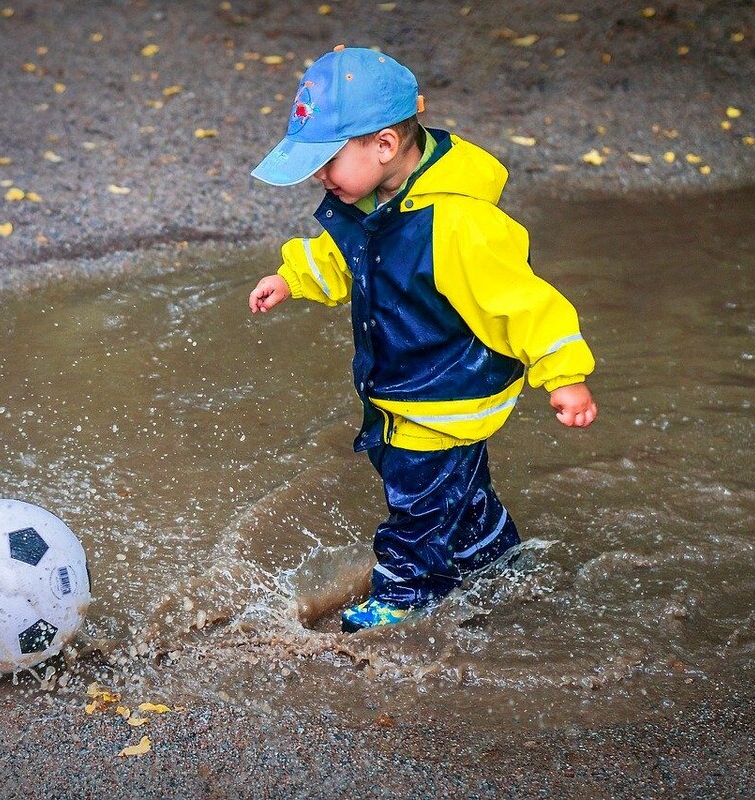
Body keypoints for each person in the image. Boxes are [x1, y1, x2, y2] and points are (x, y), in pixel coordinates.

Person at [247, 46, 598, 633]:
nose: (318, 176)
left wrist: (565, 376)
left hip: (443, 394)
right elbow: (346, 258)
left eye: (327, 159)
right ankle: (495, 560)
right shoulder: (374, 199)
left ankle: (405, 598)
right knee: (459, 488)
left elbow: (523, 301)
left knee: (414, 506)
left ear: (384, 145)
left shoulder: (459, 222)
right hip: (411, 386)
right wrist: (291, 278)